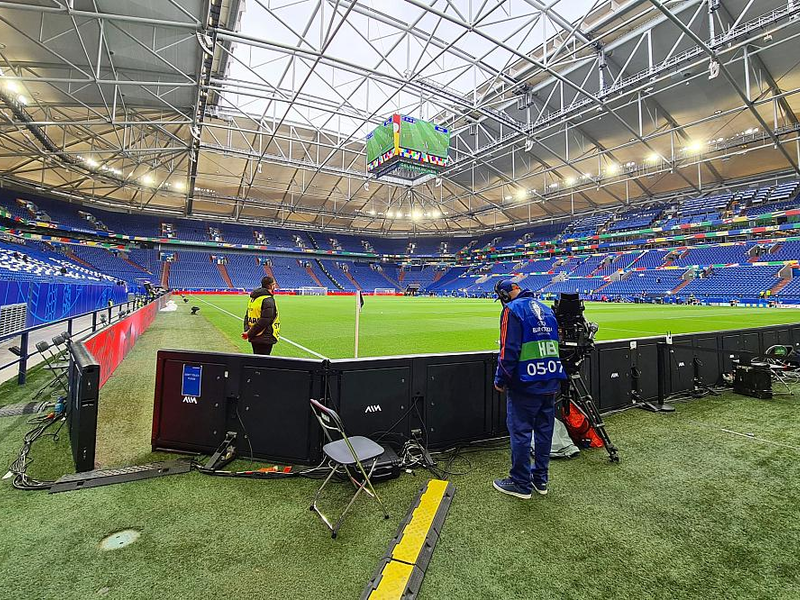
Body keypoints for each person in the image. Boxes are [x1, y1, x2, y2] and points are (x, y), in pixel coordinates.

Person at [492, 279, 567, 499]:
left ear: (504, 295)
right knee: (544, 432)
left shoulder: (512, 310)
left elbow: (508, 350)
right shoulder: (546, 309)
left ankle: (520, 483)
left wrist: (500, 379)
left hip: (525, 383)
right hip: (550, 379)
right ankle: (540, 479)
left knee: (521, 433)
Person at [242, 276, 280, 355]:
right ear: (270, 286)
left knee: (257, 358)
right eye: (274, 284)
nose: (275, 286)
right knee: (263, 359)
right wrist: (249, 333)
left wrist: (248, 331)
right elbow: (265, 320)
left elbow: (247, 316)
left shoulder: (253, 298)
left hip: (254, 335)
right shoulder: (268, 300)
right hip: (265, 337)